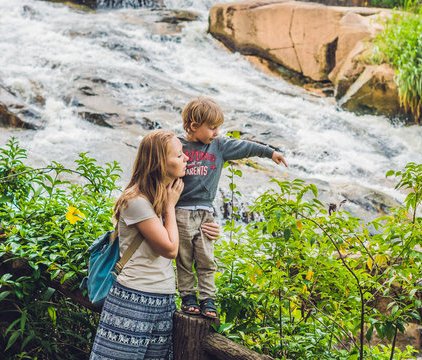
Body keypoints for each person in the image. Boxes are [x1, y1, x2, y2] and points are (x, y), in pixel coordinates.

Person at [89, 130, 219, 360]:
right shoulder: (136, 201)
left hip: (163, 300)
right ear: (160, 162)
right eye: (179, 156)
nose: (187, 159)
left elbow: (181, 234)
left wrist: (208, 231)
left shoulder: (165, 197)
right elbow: (169, 249)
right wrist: (170, 207)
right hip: (132, 300)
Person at [176, 96, 287, 319]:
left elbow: (245, 146)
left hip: (205, 211)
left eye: (219, 127)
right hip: (180, 211)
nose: (217, 132)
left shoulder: (219, 146)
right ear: (193, 126)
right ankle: (187, 296)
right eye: (213, 128)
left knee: (206, 258)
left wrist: (270, 152)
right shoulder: (177, 145)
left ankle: (207, 298)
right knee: (184, 257)